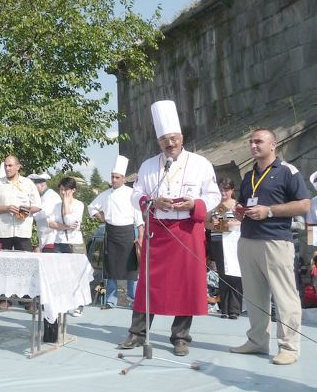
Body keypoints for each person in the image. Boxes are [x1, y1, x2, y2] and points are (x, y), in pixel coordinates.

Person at [118, 100, 220, 357]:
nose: (170, 143)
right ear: (159, 142)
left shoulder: (200, 163)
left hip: (187, 231)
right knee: (148, 284)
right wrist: (152, 202)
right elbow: (136, 195)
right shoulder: (148, 165)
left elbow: (214, 195)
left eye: (173, 138)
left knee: (186, 284)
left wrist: (195, 204)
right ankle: (138, 333)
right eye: (164, 139)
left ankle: (181, 337)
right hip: (158, 231)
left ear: (181, 138)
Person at [229, 128, 311, 365]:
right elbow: (244, 203)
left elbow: (304, 205)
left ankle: (289, 347)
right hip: (247, 240)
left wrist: (270, 211)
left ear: (273, 144)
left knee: (285, 297)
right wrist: (240, 211)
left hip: (276, 241)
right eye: (251, 142)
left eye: (259, 141)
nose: (253, 145)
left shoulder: (287, 171)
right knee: (254, 296)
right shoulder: (248, 175)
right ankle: (257, 341)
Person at [88, 155, 143, 309]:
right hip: (111, 233)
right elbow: (91, 207)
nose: (114, 180)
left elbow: (139, 217)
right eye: (112, 177)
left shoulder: (131, 193)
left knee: (131, 268)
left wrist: (140, 236)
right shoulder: (105, 194)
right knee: (111, 268)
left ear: (123, 178)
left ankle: (134, 300)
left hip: (128, 232)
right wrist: (102, 218)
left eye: (117, 177)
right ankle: (111, 300)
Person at [205, 177, 243, 319]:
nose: (223, 193)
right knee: (223, 275)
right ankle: (224, 308)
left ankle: (235, 309)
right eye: (221, 190)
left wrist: (226, 224)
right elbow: (207, 223)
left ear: (232, 190)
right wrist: (214, 225)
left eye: (226, 190)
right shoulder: (217, 206)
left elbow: (244, 222)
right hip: (219, 242)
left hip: (234, 243)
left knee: (236, 274)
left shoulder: (237, 205)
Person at [48, 176, 85, 316]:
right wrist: (64, 227)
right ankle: (62, 303)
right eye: (61, 190)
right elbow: (51, 223)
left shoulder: (79, 205)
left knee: (77, 274)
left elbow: (71, 221)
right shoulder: (56, 205)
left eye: (66, 190)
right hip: (59, 242)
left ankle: (78, 304)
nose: (63, 193)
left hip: (74, 243)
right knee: (59, 274)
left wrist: (67, 204)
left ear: (73, 190)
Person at [0, 155, 41, 252]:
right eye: (5, 166)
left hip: (23, 231)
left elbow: (37, 206)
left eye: (10, 165)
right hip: (3, 232)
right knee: (1, 260)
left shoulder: (28, 183)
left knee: (25, 259)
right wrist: (6, 208)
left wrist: (26, 210)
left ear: (18, 167)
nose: (7, 168)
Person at [29, 173, 61, 253]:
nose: (32, 190)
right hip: (45, 239)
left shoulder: (50, 196)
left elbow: (43, 213)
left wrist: (28, 212)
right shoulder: (44, 196)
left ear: (42, 185)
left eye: (33, 187)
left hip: (51, 240)